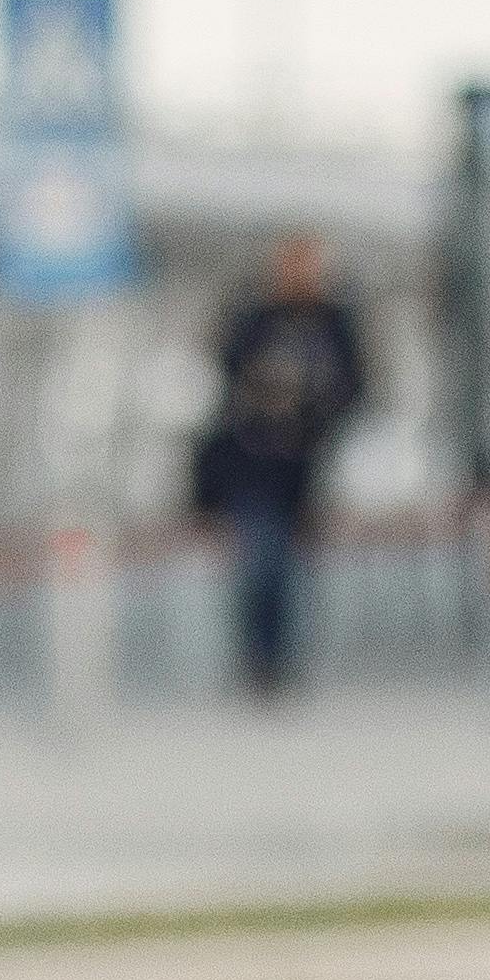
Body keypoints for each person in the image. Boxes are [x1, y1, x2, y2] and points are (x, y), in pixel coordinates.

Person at [190, 238, 369, 703]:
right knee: (263, 562)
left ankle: (278, 658)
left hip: (303, 469)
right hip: (250, 466)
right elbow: (227, 370)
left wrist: (312, 406)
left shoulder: (333, 322)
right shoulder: (255, 317)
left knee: (289, 567)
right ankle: (261, 660)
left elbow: (354, 387)